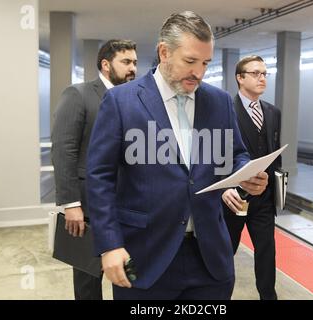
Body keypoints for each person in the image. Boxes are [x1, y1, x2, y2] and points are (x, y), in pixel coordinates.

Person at [86, 11, 269, 300]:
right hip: (145, 256)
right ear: (163, 52)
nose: (198, 71)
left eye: (205, 63)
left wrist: (247, 174)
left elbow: (236, 154)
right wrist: (109, 244)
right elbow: (100, 178)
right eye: (190, 61)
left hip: (209, 260)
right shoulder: (122, 101)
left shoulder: (218, 102)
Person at [51, 39, 137, 300]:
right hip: (88, 206)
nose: (133, 67)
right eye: (126, 62)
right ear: (106, 64)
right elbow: (64, 150)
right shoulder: (79, 94)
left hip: (127, 203)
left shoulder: (135, 98)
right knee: (88, 279)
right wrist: (71, 203)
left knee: (128, 274)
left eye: (134, 62)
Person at [222, 55, 282, 300]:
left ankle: (269, 296)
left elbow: (273, 152)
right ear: (240, 77)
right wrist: (224, 189)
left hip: (264, 198)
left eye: (265, 74)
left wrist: (276, 191)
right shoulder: (225, 110)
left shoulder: (273, 112)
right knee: (225, 253)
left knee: (267, 252)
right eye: (256, 73)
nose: (262, 78)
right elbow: (217, 154)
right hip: (234, 199)